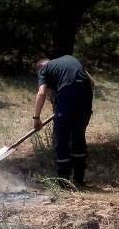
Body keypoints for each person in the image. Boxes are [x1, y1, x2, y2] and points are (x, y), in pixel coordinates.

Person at [33, 55, 94, 187]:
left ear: (40, 68)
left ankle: (63, 181)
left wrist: (36, 118)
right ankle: (79, 179)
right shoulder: (68, 61)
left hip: (68, 93)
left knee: (62, 137)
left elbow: (42, 93)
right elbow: (91, 82)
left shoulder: (44, 69)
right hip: (86, 93)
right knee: (78, 136)